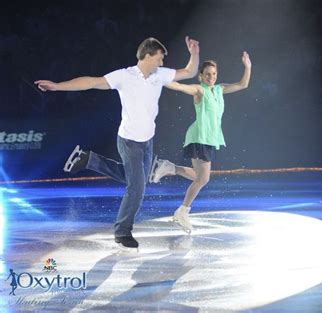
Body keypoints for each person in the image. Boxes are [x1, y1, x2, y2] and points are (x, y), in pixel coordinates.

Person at [34, 36, 200, 249]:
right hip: (129, 141)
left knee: (134, 180)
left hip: (148, 140)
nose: (161, 63)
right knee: (137, 188)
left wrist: (194, 53)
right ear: (148, 56)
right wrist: (57, 86)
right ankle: (122, 232)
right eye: (159, 58)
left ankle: (89, 160)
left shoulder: (159, 75)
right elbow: (92, 82)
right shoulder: (125, 76)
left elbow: (189, 72)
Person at [148, 51, 252, 233]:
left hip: (209, 139)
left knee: (200, 176)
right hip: (198, 137)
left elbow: (243, 84)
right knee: (203, 178)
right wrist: (159, 78)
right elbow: (180, 87)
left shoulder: (219, 89)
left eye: (214, 74)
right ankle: (183, 211)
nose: (211, 77)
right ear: (201, 76)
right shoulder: (199, 90)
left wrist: (248, 67)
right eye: (208, 74)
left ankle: (169, 167)